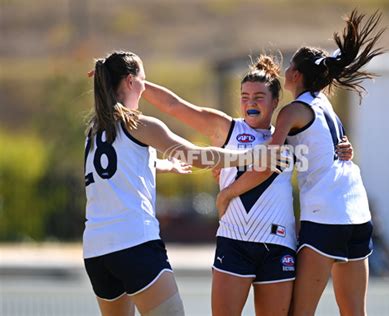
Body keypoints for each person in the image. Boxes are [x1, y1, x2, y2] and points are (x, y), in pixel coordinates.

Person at [142, 55, 353, 316]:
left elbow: (321, 145)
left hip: (278, 246)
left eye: (258, 97)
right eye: (244, 96)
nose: (250, 103)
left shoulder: (289, 135)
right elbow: (175, 106)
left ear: (276, 101)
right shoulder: (226, 129)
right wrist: (136, 82)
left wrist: (342, 148)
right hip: (235, 241)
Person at [83, 51, 281, 316]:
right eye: (143, 79)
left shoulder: (95, 130)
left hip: (96, 251)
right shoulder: (140, 124)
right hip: (133, 242)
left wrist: (165, 165)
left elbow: (117, 168)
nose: (144, 86)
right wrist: (250, 155)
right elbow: (196, 156)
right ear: (130, 82)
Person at [216, 10, 386, 316]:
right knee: (354, 311)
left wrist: (227, 182)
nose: (286, 70)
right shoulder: (325, 105)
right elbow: (335, 149)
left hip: (325, 217)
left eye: (290, 66)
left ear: (296, 75)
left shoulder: (291, 111)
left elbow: (268, 157)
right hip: (358, 213)